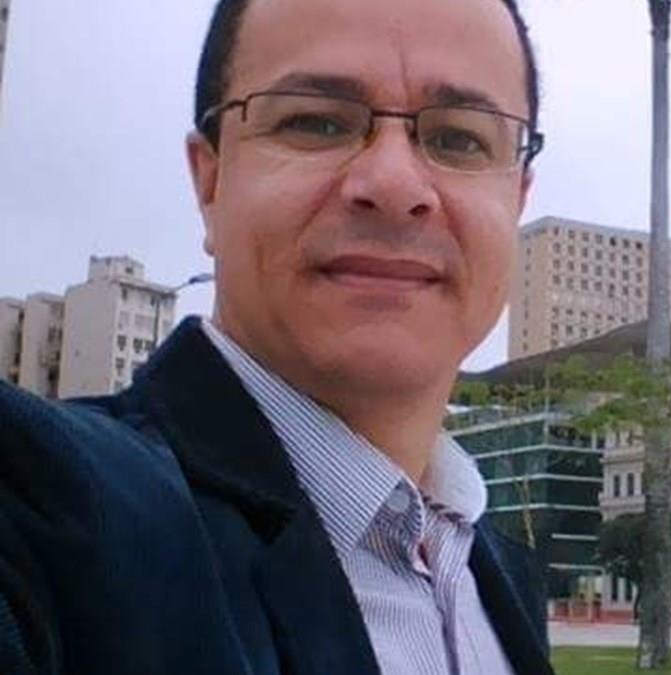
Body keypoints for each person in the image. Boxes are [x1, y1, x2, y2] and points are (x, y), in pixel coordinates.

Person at [0, 0, 551, 673]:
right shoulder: (41, 507)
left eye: (460, 139)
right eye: (316, 122)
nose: (394, 184)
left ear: (518, 197)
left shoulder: (495, 571)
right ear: (210, 180)